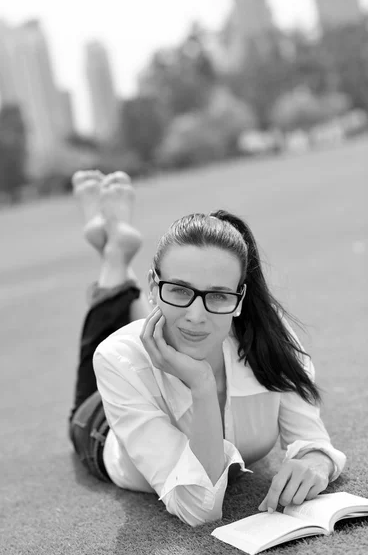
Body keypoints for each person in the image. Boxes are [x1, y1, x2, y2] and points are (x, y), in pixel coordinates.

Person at [69, 169, 346, 527]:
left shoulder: (271, 342)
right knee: (127, 338)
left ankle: (114, 247)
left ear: (240, 299)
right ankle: (114, 256)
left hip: (159, 335)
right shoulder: (117, 358)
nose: (197, 315)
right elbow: (198, 507)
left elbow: (312, 440)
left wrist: (315, 463)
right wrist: (201, 386)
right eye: (179, 289)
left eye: (218, 295)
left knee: (176, 323)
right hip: (100, 426)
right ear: (154, 285)